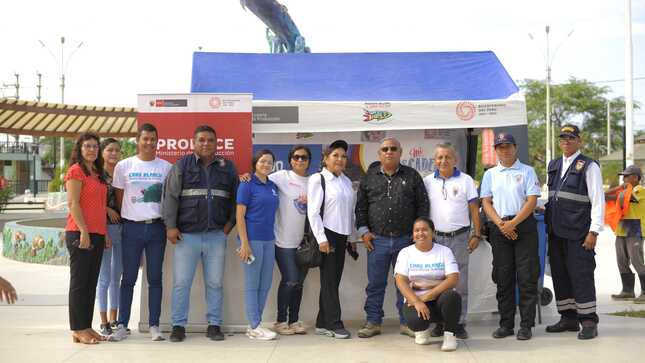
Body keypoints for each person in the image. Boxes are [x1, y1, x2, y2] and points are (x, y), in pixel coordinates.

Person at [163, 125, 238, 342]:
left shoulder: (227, 167)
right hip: (187, 236)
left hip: (216, 235)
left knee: (215, 283)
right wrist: (170, 226)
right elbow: (170, 196)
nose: (206, 144)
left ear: (217, 143)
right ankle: (178, 326)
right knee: (181, 283)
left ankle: (214, 325)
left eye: (210, 140)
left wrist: (229, 225)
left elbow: (236, 199)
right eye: (202, 140)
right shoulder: (182, 165)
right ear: (194, 142)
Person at [355, 137, 429, 338]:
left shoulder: (412, 176)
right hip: (376, 241)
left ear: (400, 152)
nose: (389, 151)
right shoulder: (369, 178)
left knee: (405, 284)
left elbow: (423, 206)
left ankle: (406, 322)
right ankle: (373, 322)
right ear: (379, 154)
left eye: (393, 148)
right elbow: (360, 208)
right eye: (385, 149)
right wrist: (363, 231)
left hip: (406, 241)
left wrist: (418, 234)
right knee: (375, 285)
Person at [111, 123, 172, 342]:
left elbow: (169, 199)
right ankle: (122, 325)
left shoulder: (166, 167)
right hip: (131, 228)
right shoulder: (123, 166)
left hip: (156, 228)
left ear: (158, 141)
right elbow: (119, 198)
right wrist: (130, 215)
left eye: (152, 139)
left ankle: (154, 325)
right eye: (144, 139)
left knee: (155, 279)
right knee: (128, 278)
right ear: (137, 140)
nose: (149, 142)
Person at [545, 124, 605, 340]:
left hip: (580, 233)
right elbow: (555, 195)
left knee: (581, 276)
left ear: (579, 141)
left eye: (571, 137)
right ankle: (568, 318)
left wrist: (594, 232)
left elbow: (598, 201)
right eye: (563, 137)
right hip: (556, 231)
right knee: (560, 276)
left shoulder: (589, 166)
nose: (566, 141)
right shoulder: (554, 164)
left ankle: (588, 320)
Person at [481, 132, 540, 341]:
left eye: (508, 146)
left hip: (523, 228)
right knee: (503, 278)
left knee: (526, 278)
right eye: (500, 147)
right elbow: (486, 202)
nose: (504, 150)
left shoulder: (527, 171)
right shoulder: (490, 174)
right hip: (500, 228)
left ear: (515, 148)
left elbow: (532, 200)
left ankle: (526, 325)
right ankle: (506, 324)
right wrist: (501, 224)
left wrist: (513, 224)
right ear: (495, 150)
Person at [423, 143, 481, 339]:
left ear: (455, 160)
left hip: (460, 237)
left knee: (460, 283)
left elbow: (474, 210)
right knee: (436, 282)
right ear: (434, 160)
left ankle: (459, 323)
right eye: (439, 157)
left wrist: (476, 234)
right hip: (435, 239)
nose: (443, 161)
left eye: (448, 157)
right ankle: (440, 322)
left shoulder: (466, 181)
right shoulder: (427, 181)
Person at [308, 140, 356, 339]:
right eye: (335, 155)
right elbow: (313, 212)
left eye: (343, 156)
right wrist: (321, 239)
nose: (340, 159)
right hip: (327, 235)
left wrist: (351, 237)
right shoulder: (318, 179)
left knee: (332, 281)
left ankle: (321, 322)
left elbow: (350, 213)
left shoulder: (345, 181)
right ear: (326, 159)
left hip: (342, 236)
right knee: (329, 281)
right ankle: (335, 323)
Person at [65, 132, 109, 345]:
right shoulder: (75, 171)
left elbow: (100, 207)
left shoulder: (97, 173)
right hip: (80, 233)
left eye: (95, 146)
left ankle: (86, 326)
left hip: (98, 234)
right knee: (79, 283)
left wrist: (104, 233)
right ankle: (76, 328)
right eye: (87, 146)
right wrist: (83, 230)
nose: (92, 149)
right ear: (80, 149)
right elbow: (73, 203)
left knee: (91, 283)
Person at [395, 217, 461, 351]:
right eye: (416, 230)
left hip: (440, 301)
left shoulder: (444, 251)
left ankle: (450, 335)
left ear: (433, 232)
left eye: (424, 230)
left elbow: (453, 278)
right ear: (413, 234)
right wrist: (417, 301)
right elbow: (400, 281)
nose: (420, 233)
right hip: (416, 301)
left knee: (452, 297)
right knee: (415, 321)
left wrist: (427, 296)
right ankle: (422, 330)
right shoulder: (405, 253)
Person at [236, 149, 280, 340]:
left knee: (265, 284)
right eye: (262, 161)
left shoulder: (272, 185)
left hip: (269, 240)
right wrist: (244, 243)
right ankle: (254, 325)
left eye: (270, 162)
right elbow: (240, 215)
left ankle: (256, 324)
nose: (266, 165)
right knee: (252, 284)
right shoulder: (246, 185)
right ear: (255, 163)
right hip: (252, 240)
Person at [270, 145, 312, 335]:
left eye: (304, 157)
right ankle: (280, 321)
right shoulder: (282, 176)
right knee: (290, 280)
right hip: (283, 241)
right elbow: (258, 180)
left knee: (299, 283)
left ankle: (294, 321)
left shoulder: (314, 181)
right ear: (290, 160)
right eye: (296, 157)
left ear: (309, 161)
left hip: (304, 243)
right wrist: (244, 177)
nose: (300, 160)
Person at [96, 138, 123, 336]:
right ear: (102, 152)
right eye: (110, 150)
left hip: (122, 229)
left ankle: (115, 319)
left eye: (117, 150)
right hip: (102, 228)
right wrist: (105, 208)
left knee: (117, 277)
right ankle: (103, 320)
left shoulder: (122, 173)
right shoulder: (96, 175)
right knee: (104, 277)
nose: (113, 154)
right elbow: (90, 201)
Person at [607, 165, 645, 304]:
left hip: (635, 229)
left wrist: (619, 190)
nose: (624, 178)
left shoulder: (640, 190)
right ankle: (628, 290)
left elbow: (625, 199)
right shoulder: (624, 191)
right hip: (622, 228)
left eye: (627, 176)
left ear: (635, 177)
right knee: (621, 261)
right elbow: (605, 196)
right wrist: (619, 188)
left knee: (637, 260)